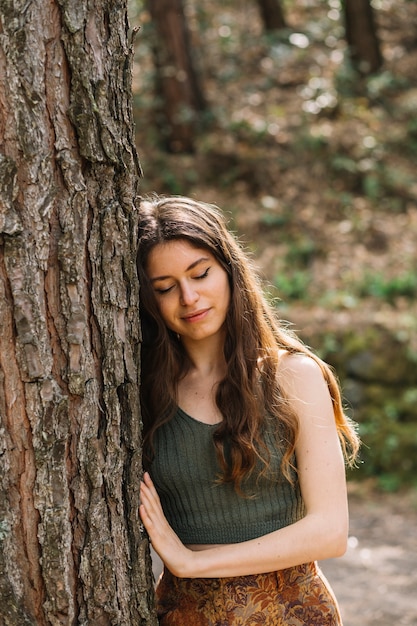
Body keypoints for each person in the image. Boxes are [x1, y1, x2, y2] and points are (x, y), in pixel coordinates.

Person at [137, 195, 360, 626]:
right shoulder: (143, 394)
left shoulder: (292, 376)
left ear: (229, 270)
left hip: (290, 612)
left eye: (200, 274)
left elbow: (330, 532)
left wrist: (192, 563)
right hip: (184, 615)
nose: (189, 297)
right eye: (165, 288)